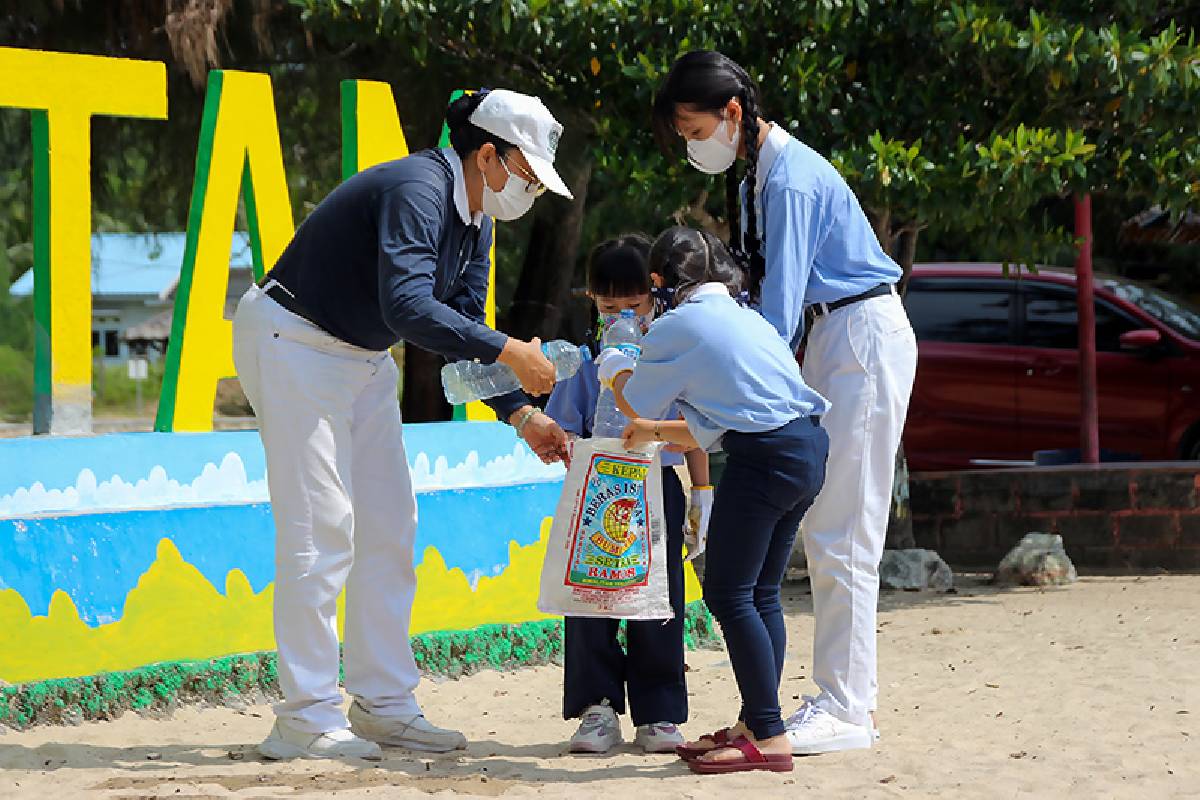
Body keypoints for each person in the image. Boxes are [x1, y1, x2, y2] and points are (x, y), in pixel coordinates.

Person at [232, 89, 574, 761]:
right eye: (528, 175)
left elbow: (458, 332)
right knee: (320, 526)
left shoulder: (477, 219)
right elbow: (411, 305)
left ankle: (383, 703)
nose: (530, 192)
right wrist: (512, 351)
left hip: (358, 357)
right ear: (487, 155)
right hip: (293, 340)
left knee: (389, 525)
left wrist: (521, 413)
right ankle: (303, 716)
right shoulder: (419, 188)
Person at [651, 51, 918, 755]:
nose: (690, 142)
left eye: (692, 127)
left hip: (856, 333)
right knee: (827, 528)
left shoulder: (790, 181)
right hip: (838, 334)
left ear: (732, 113)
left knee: (844, 531)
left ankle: (847, 706)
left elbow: (778, 317)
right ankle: (831, 698)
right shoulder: (766, 172)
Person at [612, 227, 828, 774]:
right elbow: (703, 423)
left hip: (764, 460)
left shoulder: (675, 325)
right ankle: (757, 722)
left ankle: (770, 733)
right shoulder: (743, 315)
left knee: (730, 595)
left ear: (657, 281)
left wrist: (614, 361)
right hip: (806, 447)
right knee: (760, 593)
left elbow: (632, 403)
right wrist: (653, 430)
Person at [543, 234, 712, 755]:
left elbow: (695, 427)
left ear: (656, 298)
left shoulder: (673, 356)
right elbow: (563, 422)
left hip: (657, 486)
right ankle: (596, 708)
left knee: (658, 603)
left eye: (633, 305)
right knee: (592, 601)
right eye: (606, 304)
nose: (620, 315)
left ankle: (659, 713)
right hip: (599, 488)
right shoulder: (588, 357)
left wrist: (703, 491)